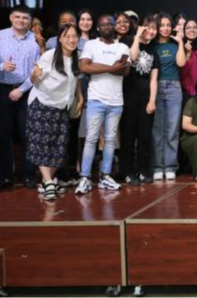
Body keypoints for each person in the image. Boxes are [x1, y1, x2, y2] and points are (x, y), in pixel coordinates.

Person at [0, 4, 41, 189]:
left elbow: (38, 69)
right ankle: (6, 176)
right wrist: (2, 66)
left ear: (30, 20)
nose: (21, 20)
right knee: (3, 135)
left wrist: (21, 90)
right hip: (2, 90)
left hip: (27, 91)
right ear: (11, 17)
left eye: (25, 18)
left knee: (27, 135)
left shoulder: (34, 39)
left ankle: (28, 174)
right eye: (17, 17)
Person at [26, 24, 82, 200]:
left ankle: (46, 181)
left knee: (59, 146)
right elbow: (34, 79)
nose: (71, 40)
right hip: (42, 104)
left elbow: (75, 80)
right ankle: (50, 182)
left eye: (74, 36)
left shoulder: (77, 57)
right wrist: (35, 74)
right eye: (67, 36)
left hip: (62, 107)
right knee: (42, 144)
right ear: (60, 39)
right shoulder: (49, 56)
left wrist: (80, 98)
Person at [76, 15, 131, 194]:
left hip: (116, 101)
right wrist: (112, 67)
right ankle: (85, 178)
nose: (106, 26)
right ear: (98, 28)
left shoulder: (122, 47)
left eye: (110, 24)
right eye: (103, 24)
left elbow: (125, 71)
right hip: (96, 99)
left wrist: (98, 66)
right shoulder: (91, 45)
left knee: (110, 140)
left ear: (114, 26)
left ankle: (105, 176)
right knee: (91, 138)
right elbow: (84, 67)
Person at [147, 14, 187, 182]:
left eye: (168, 25)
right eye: (162, 25)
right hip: (155, 87)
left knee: (172, 129)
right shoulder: (151, 45)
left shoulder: (175, 44)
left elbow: (181, 63)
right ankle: (157, 166)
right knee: (157, 130)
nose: (165, 28)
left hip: (174, 87)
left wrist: (180, 42)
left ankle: (170, 166)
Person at [122, 17, 158, 186]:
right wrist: (137, 37)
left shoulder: (153, 52)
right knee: (128, 134)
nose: (151, 31)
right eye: (147, 27)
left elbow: (153, 79)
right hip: (129, 94)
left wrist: (152, 101)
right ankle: (128, 171)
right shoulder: (129, 42)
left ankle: (143, 170)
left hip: (146, 96)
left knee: (144, 136)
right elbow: (133, 56)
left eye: (154, 28)